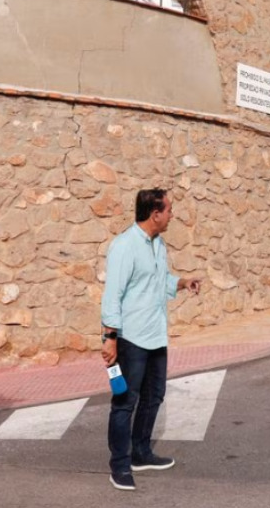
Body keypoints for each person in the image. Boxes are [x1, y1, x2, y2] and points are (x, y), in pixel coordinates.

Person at [101, 189, 203, 491]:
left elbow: (160, 282)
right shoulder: (124, 246)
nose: (173, 214)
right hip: (131, 337)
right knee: (124, 403)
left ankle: (141, 452)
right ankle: (119, 465)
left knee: (154, 396)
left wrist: (182, 283)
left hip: (156, 335)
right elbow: (112, 296)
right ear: (154, 213)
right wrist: (110, 338)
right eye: (169, 210)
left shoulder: (159, 245)